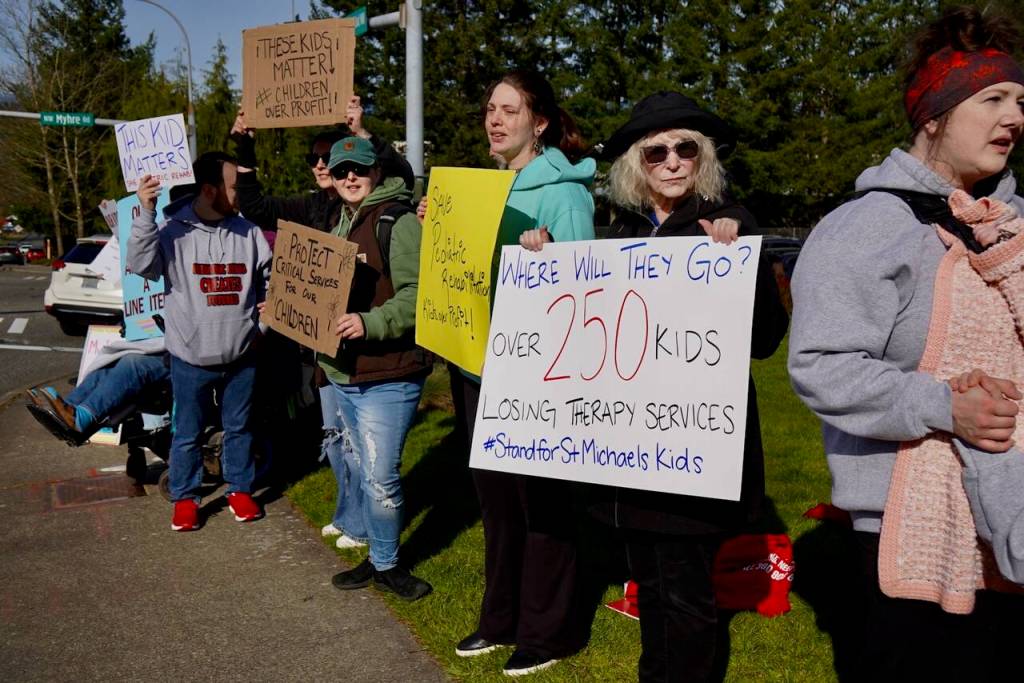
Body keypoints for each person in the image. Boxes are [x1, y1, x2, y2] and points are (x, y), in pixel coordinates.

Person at [788, 6, 1024, 678]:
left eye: (1021, 100)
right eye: (993, 99)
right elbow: (820, 367)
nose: (1015, 117)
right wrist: (945, 404)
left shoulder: (1015, 227)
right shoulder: (865, 228)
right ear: (933, 114)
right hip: (903, 532)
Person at [594, 91, 788, 683]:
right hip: (632, 444)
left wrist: (739, 264)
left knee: (685, 588)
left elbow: (762, 341)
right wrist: (543, 260)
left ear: (702, 157)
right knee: (649, 583)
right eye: (657, 151)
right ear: (637, 162)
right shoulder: (617, 231)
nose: (673, 161)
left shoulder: (730, 227)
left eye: (686, 148)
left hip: (693, 446)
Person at [446, 69, 595, 678]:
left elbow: (585, 286)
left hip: (537, 374)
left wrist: (550, 253)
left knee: (544, 506)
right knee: (499, 504)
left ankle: (546, 631)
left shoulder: (562, 191)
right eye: (490, 108)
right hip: (479, 364)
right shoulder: (483, 190)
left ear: (539, 122)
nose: (495, 119)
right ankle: (499, 618)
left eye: (509, 109)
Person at [232, 95, 414, 552]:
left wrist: (362, 129)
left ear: (372, 171)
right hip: (332, 360)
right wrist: (244, 147)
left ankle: (378, 548)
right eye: (327, 164)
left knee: (374, 468)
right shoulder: (321, 211)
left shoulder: (393, 214)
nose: (337, 172)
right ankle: (356, 524)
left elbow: (402, 176)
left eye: (340, 162)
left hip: (378, 363)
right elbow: (255, 207)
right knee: (338, 443)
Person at [284, 136, 430, 602]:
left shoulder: (399, 222)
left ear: (377, 172)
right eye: (341, 169)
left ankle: (389, 566)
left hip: (387, 374)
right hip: (345, 374)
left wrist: (369, 323)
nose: (350, 176)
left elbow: (418, 295)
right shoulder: (343, 220)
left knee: (381, 477)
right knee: (366, 471)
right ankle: (379, 557)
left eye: (359, 169)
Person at [127, 152, 273, 532]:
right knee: (187, 433)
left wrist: (261, 328)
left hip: (242, 355)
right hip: (190, 357)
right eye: (232, 187)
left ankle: (239, 490)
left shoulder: (250, 232)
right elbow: (141, 265)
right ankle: (186, 499)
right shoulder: (174, 232)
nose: (239, 194)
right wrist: (146, 210)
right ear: (209, 190)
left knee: (240, 428)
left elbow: (272, 283)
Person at [25, 337, 168, 446]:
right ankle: (65, 410)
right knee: (108, 366)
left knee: (132, 363)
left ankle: (82, 417)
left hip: (179, 358)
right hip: (161, 345)